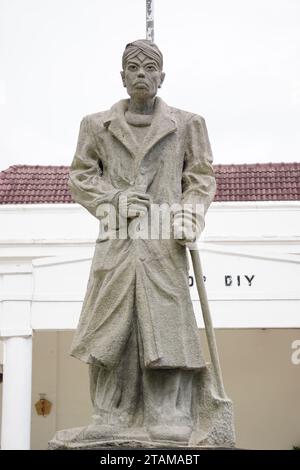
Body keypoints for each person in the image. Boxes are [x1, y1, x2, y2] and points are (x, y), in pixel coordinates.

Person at [68, 39, 216, 444]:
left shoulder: (188, 124)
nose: (141, 74)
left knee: (166, 325)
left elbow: (200, 176)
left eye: (150, 68)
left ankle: (167, 412)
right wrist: (113, 198)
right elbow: (80, 177)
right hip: (116, 239)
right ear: (122, 76)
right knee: (112, 327)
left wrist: (191, 212)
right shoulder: (95, 125)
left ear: (162, 77)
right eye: (133, 67)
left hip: (163, 240)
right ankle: (110, 412)